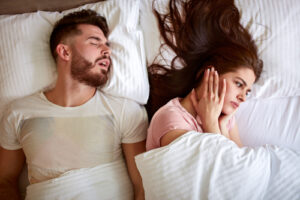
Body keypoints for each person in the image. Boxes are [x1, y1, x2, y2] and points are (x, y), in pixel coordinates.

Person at [0, 10, 148, 200]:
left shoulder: (125, 111)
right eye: (95, 42)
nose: (107, 51)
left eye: (107, 44)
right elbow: (4, 181)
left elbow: (143, 185)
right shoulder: (18, 113)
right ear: (64, 51)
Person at [146, 0, 263, 150]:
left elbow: (241, 169)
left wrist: (220, 125)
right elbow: (223, 169)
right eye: (239, 84)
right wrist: (211, 125)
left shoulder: (225, 119)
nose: (243, 97)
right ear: (208, 73)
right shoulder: (172, 119)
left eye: (247, 91)